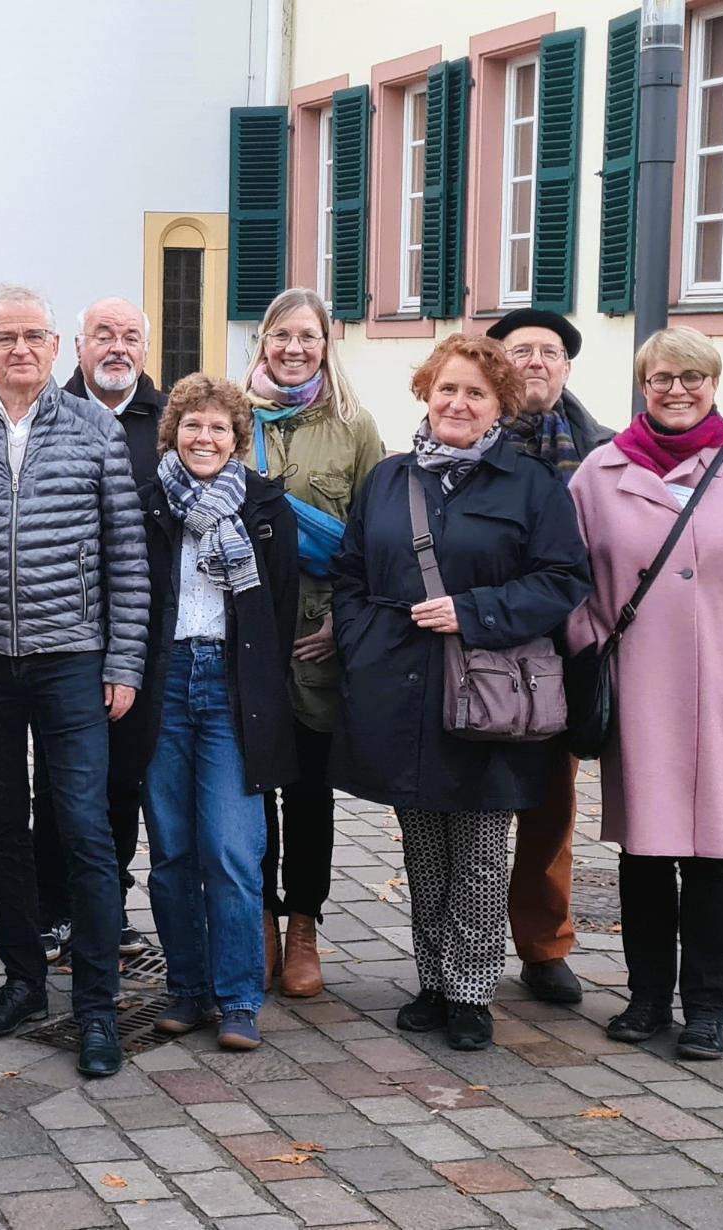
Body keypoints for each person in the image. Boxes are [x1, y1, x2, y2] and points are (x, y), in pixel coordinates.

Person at [331, 332, 590, 1053]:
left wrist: (474, 614)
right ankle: (434, 979)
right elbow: (352, 574)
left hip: (486, 694)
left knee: (479, 848)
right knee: (422, 847)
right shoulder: (389, 479)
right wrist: (359, 645)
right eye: (447, 388)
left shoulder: (530, 486)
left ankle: (472, 991)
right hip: (401, 688)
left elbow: (563, 581)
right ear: (427, 391)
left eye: (475, 392)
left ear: (498, 405)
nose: (458, 402)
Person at [0, 285, 148, 1079]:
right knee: (3, 824)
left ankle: (96, 1005)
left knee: (82, 827)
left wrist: (122, 661)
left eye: (34, 336)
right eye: (4, 337)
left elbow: (126, 556)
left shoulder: (97, 430)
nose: (20, 349)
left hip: (72, 658)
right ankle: (21, 980)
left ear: (55, 349)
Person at [566, 328, 723, 1062]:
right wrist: (589, 657)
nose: (677, 389)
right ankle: (646, 998)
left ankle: (705, 1005)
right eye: (662, 377)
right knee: (645, 852)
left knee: (714, 855)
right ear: (643, 386)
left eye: (693, 377)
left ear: (715, 384)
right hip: (637, 690)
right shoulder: (598, 473)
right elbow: (569, 580)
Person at [134, 374, 297, 1051]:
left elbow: (280, 613)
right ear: (173, 432)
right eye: (193, 426)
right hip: (164, 685)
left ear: (238, 441)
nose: (205, 438)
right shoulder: (149, 505)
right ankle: (187, 988)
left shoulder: (264, 510)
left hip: (231, 690)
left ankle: (237, 999)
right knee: (172, 851)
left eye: (219, 429)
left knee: (232, 850)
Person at [244, 288, 382, 999]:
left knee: (308, 794)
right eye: (281, 336)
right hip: (246, 635)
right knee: (249, 791)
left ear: (327, 344)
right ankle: (258, 922)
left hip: (316, 639)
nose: (294, 349)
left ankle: (303, 927)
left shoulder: (355, 428)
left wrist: (344, 625)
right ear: (263, 341)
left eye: (308, 337)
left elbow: (372, 542)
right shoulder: (231, 419)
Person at [483, 307, 615, 1006]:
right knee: (468, 803)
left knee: (549, 806)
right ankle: (458, 944)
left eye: (550, 352)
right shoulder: (467, 441)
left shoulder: (603, 453)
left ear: (566, 368)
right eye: (522, 350)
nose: (536, 361)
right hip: (475, 648)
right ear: (497, 364)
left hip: (563, 653)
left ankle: (543, 944)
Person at [33, 296, 163, 963]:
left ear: (146, 347)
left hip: (139, 636)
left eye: (131, 336)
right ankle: (51, 908)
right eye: (104, 335)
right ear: (76, 346)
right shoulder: (45, 416)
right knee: (58, 781)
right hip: (61, 635)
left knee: (121, 783)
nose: (118, 347)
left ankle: (107, 908)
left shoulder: (167, 424)